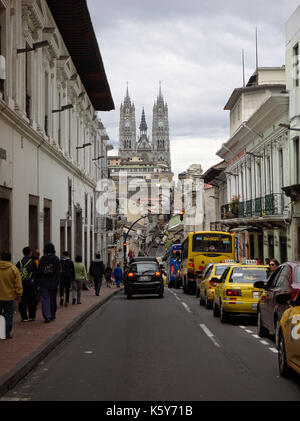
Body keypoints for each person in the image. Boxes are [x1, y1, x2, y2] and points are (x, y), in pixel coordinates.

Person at [0, 252, 23, 339]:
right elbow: (18, 283)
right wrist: (19, 294)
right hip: (9, 296)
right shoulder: (13, 269)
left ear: (1, 257)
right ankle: (6, 333)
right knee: (8, 315)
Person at [37, 243, 61, 323]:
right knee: (53, 298)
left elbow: (39, 271)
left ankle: (46, 316)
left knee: (45, 299)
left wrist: (39, 281)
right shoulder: (56, 259)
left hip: (44, 282)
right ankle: (52, 314)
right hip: (53, 281)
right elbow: (58, 270)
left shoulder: (42, 259)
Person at [16, 247, 38, 322]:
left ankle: (24, 317)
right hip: (30, 284)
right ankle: (31, 316)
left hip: (21, 283)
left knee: (22, 301)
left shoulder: (19, 262)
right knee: (32, 300)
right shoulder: (32, 262)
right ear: (30, 253)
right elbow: (36, 273)